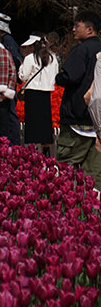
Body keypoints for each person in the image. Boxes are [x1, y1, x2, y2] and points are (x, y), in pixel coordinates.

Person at [58, 10, 101, 185]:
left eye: (77, 26)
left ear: (89, 29)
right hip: (98, 123)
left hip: (77, 120)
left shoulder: (82, 50)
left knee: (65, 172)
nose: (73, 29)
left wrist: (59, 77)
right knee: (94, 177)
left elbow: (71, 76)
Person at [18, 33, 58, 155]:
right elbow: (55, 75)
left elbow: (23, 76)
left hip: (32, 93)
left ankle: (33, 151)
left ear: (33, 46)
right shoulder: (53, 57)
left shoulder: (30, 58)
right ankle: (46, 150)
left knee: (32, 124)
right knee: (45, 123)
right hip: (46, 93)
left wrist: (21, 68)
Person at [0, 12, 23, 145]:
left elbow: (15, 62)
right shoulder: (7, 40)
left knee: (10, 113)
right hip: (5, 83)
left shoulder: (7, 41)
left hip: (7, 84)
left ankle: (14, 143)